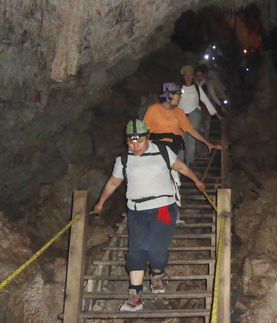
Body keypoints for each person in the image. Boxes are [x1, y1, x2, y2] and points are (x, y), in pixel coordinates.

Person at [93, 119, 205, 312]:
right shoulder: (124, 160)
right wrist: (100, 203)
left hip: (163, 208)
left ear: (148, 137)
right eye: (131, 141)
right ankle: (135, 294)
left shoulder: (162, 152)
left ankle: (156, 274)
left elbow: (180, 167)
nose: (135, 145)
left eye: (139, 141)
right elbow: (113, 183)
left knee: (156, 250)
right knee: (136, 250)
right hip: (137, 211)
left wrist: (197, 181)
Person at [143, 82, 221, 226]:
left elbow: (190, 130)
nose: (180, 98)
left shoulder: (179, 112)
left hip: (176, 149)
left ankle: (174, 216)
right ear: (170, 95)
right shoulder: (153, 109)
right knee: (160, 182)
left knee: (174, 182)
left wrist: (207, 143)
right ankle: (157, 214)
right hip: (158, 150)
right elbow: (144, 132)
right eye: (178, 94)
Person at [178, 66, 222, 166]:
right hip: (181, 115)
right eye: (186, 75)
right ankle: (181, 166)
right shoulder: (179, 88)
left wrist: (216, 113)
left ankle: (190, 164)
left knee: (191, 141)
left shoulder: (197, 88)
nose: (188, 77)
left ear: (192, 76)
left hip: (194, 114)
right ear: (183, 77)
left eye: (190, 75)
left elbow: (206, 100)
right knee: (181, 141)